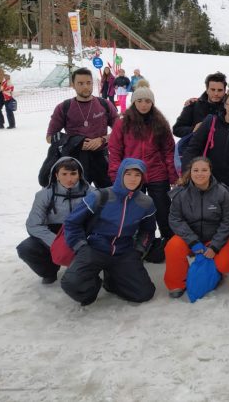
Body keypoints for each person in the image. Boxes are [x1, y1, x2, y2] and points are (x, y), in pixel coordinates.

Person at [60, 158, 157, 306]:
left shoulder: (146, 202)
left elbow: (148, 231)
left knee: (144, 293)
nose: (132, 179)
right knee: (72, 283)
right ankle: (93, 285)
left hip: (124, 251)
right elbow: (72, 222)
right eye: (128, 174)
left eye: (137, 175)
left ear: (142, 177)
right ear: (120, 174)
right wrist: (81, 246)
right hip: (94, 248)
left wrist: (138, 250)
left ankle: (112, 280)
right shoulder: (100, 196)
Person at [107, 87, 176, 252]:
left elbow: (168, 150)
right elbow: (115, 151)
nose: (143, 104)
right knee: (132, 209)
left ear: (152, 103)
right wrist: (117, 175)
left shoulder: (160, 123)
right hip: (131, 175)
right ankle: (134, 240)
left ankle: (169, 240)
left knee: (162, 209)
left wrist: (172, 175)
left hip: (157, 173)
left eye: (147, 101)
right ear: (133, 102)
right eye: (139, 101)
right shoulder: (122, 123)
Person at [164, 157, 229, 298]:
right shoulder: (181, 194)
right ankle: (177, 283)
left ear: (210, 172)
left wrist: (215, 246)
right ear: (190, 172)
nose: (200, 174)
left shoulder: (222, 192)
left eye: (204, 170)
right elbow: (175, 219)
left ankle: (215, 272)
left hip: (215, 238)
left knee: (226, 265)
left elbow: (228, 221)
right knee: (172, 247)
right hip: (189, 237)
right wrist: (193, 241)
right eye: (195, 170)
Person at [16, 157, 89, 284]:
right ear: (56, 175)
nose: (69, 179)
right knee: (26, 248)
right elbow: (34, 225)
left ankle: (86, 269)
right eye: (64, 174)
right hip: (53, 233)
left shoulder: (92, 193)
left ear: (80, 174)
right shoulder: (44, 195)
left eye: (73, 173)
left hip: (81, 234)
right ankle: (49, 271)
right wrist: (56, 243)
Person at [46, 68, 118, 188]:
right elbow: (49, 137)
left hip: (101, 157)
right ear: (73, 85)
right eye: (80, 83)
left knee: (109, 196)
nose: (85, 87)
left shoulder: (105, 104)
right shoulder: (64, 107)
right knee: (78, 199)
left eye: (88, 83)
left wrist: (102, 139)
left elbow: (120, 131)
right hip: (75, 160)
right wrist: (76, 142)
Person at [183, 91, 229, 206]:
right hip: (209, 179)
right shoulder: (211, 122)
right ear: (225, 105)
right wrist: (185, 175)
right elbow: (193, 148)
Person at [172, 71, 227, 138]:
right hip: (196, 147)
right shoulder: (192, 105)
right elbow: (176, 129)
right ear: (207, 90)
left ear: (225, 91)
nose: (216, 93)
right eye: (213, 89)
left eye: (220, 90)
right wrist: (193, 129)